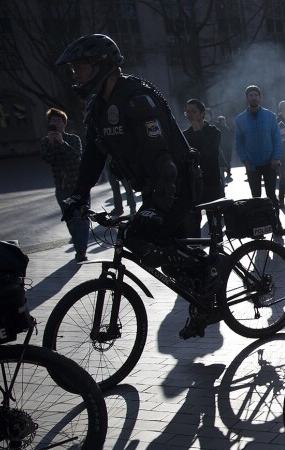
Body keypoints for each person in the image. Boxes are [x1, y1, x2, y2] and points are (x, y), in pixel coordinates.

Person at [55, 34, 211, 339]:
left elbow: (162, 159)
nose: (75, 74)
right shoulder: (98, 106)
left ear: (101, 65)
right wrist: (78, 194)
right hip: (155, 188)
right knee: (153, 248)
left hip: (178, 182)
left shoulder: (137, 99)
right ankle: (198, 288)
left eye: (80, 67)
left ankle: (205, 274)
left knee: (148, 236)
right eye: (73, 69)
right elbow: (93, 154)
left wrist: (158, 207)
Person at [234, 85, 285, 235]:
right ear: (246, 98)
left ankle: (276, 225)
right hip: (252, 166)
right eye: (250, 95)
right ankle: (258, 229)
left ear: (260, 97)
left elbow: (277, 138)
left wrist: (276, 157)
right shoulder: (240, 119)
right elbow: (239, 142)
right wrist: (245, 161)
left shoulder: (270, 116)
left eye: (256, 95)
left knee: (271, 197)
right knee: (255, 199)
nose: (253, 97)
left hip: (270, 163)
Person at [39, 107, 88, 261]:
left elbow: (77, 156)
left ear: (64, 124)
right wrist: (53, 143)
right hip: (61, 186)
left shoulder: (74, 139)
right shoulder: (46, 142)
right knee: (69, 219)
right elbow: (47, 159)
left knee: (81, 217)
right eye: (53, 121)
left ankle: (81, 251)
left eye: (59, 121)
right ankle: (79, 243)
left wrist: (62, 142)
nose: (56, 123)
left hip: (78, 185)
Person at [183, 98, 224, 235]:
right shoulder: (184, 135)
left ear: (202, 114)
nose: (190, 115)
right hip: (193, 187)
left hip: (212, 184)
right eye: (187, 112)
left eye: (193, 111)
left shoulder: (214, 131)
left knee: (215, 225)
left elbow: (209, 152)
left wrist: (198, 132)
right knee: (193, 225)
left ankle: (217, 253)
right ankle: (195, 254)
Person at [216, 115, 234, 182]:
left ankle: (228, 173)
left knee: (228, 160)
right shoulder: (219, 128)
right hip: (222, 148)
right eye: (222, 121)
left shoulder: (226, 128)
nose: (224, 122)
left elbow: (229, 138)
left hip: (227, 147)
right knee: (225, 161)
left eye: (224, 121)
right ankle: (226, 173)